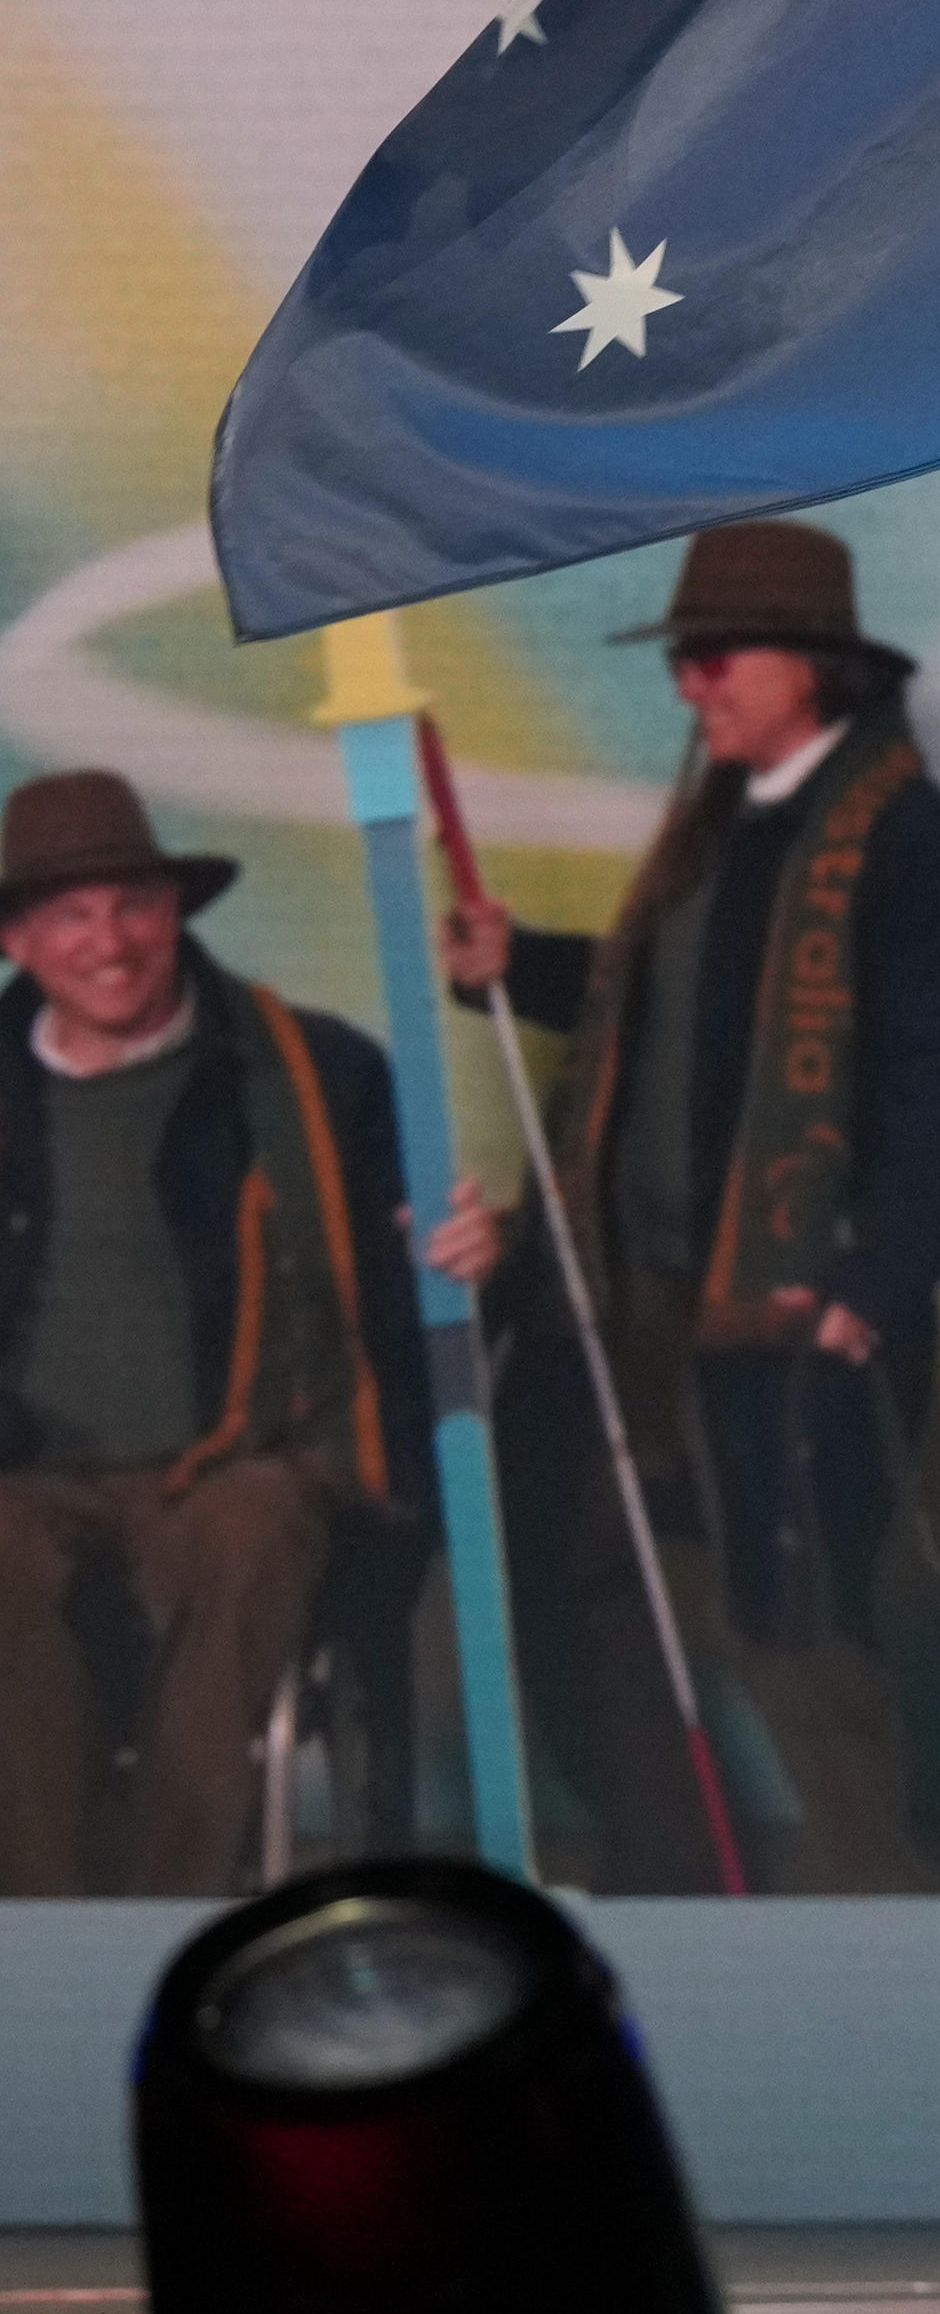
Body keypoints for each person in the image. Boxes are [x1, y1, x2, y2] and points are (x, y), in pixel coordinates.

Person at [429, 519, 940, 1894]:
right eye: (684, 658)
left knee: (798, 1629)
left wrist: (880, 1277)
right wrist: (525, 964)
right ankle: (669, 1888)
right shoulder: (717, 828)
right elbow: (679, 1008)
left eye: (713, 656)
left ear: (810, 664)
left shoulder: (909, 839)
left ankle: (883, 1920)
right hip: (621, 1301)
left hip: (793, 1312)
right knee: (572, 1588)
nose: (688, 684)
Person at [0, 771, 430, 1895]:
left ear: (176, 911)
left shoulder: (315, 1073)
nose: (110, 943)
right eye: (71, 915)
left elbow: (398, 1273)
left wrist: (461, 1243)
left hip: (236, 1453)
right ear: (17, 941)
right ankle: (41, 1934)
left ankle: (164, 1917)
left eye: (133, 905)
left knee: (249, 1537)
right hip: (28, 1469)